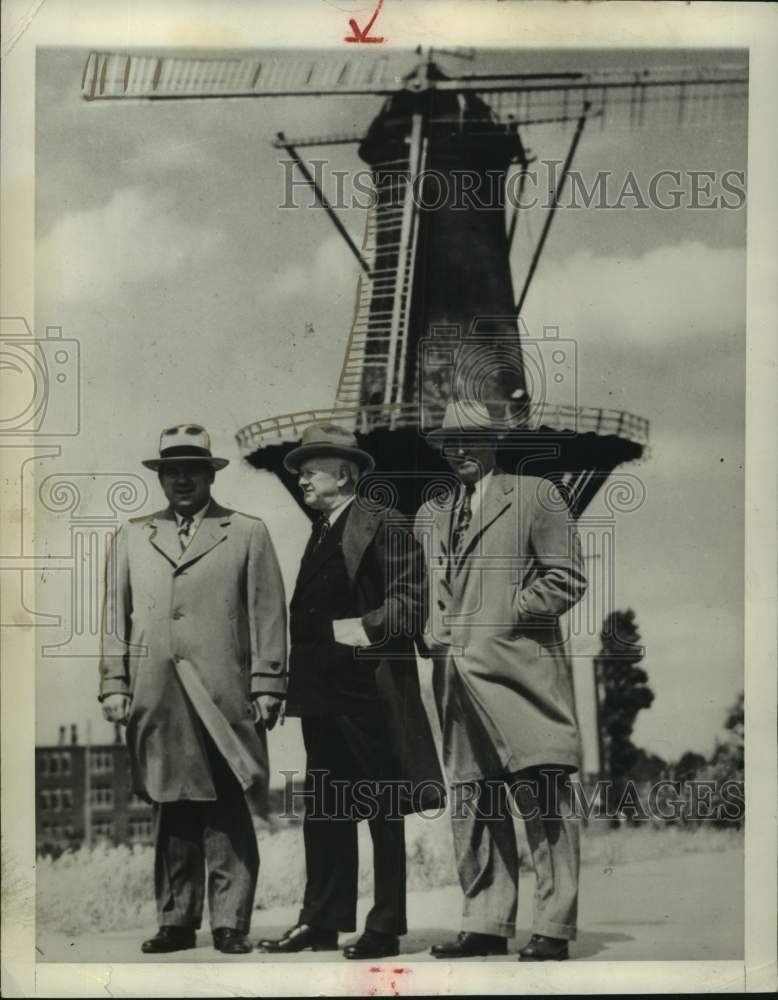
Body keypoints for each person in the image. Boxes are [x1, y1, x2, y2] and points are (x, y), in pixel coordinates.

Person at [257, 423, 443, 960]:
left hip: (367, 692)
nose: (301, 480)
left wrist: (354, 631)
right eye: (299, 472)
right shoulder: (322, 531)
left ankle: (384, 927)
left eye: (310, 470)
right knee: (325, 811)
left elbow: (410, 602)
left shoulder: (384, 522)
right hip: (320, 695)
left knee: (383, 810)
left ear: (344, 474)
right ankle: (320, 921)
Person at [99, 423, 287, 955]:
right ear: (161, 478)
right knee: (171, 804)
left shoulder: (246, 532)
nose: (182, 481)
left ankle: (230, 922)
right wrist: (114, 684)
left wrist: (268, 684)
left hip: (226, 694)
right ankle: (176, 922)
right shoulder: (132, 535)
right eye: (172, 472)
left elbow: (268, 613)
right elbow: (114, 618)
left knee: (227, 800)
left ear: (210, 476)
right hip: (157, 693)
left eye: (192, 471)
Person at [415, 401, 587, 962]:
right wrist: (430, 630)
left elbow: (567, 577)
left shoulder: (536, 495)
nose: (459, 450)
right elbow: (431, 587)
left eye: (470, 438)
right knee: (474, 797)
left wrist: (508, 613)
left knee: (542, 793)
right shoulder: (431, 513)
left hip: (518, 674)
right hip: (455, 678)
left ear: (494, 441)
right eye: (449, 442)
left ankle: (554, 926)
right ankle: (486, 921)